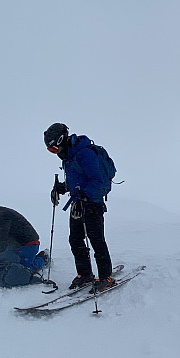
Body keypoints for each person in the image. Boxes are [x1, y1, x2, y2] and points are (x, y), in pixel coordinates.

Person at [43, 122, 114, 291]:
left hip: (92, 204)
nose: (54, 153)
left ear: (61, 140)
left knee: (96, 241)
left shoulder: (84, 154)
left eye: (53, 149)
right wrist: (62, 188)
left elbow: (96, 180)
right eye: (50, 151)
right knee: (75, 240)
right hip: (77, 204)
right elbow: (76, 181)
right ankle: (85, 274)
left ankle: (106, 277)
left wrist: (84, 196)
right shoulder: (69, 157)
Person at [0, 197, 47, 287]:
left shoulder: (2, 216)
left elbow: (1, 239)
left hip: (29, 243)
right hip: (15, 244)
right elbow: (4, 240)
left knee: (24, 268)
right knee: (4, 261)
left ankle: (44, 258)